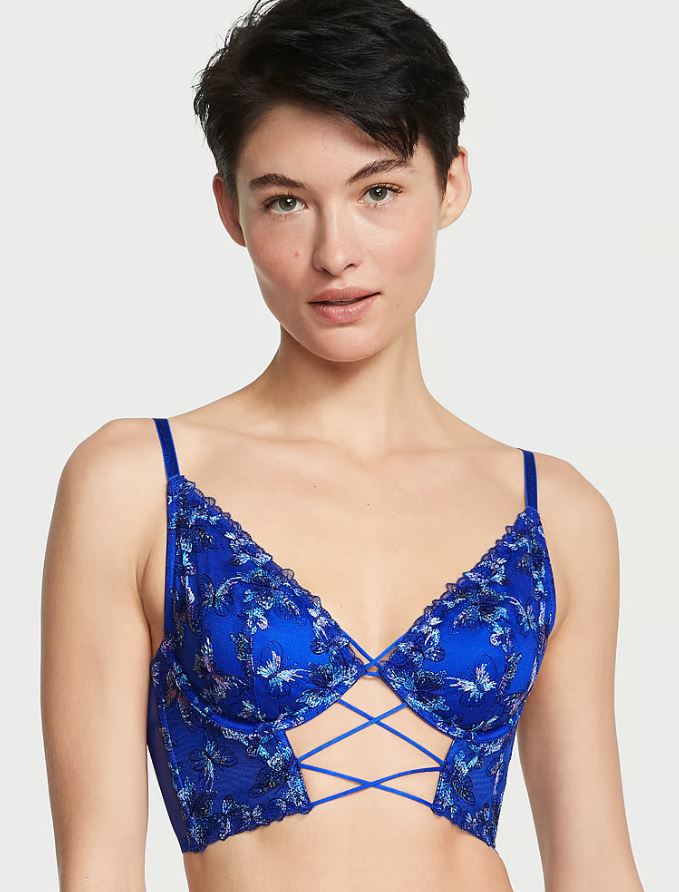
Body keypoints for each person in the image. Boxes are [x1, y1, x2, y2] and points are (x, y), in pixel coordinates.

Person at [40, 0, 644, 889]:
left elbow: (593, 861)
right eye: (286, 201)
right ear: (231, 210)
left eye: (377, 192)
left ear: (450, 185)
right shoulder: (135, 483)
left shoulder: (555, 509)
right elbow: (96, 870)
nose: (334, 254)